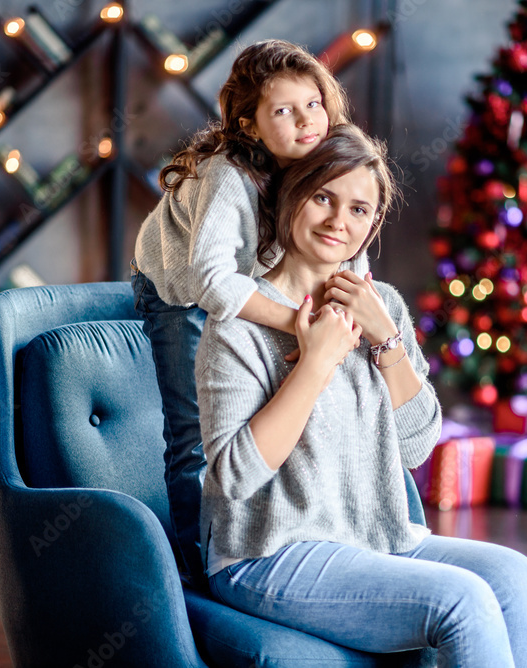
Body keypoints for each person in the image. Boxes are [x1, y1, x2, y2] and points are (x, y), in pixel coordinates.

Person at [197, 124, 527, 667]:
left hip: (372, 535)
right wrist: (315, 360)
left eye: (360, 210)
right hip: (266, 553)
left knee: (517, 580)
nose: (340, 221)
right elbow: (235, 478)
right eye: (323, 198)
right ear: (292, 197)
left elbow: (415, 449)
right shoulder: (239, 323)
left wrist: (387, 341)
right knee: (463, 600)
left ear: (374, 223)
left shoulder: (381, 305)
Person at [130, 40, 366, 589]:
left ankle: (292, 533)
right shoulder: (226, 176)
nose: (306, 121)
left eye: (313, 103)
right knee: (193, 434)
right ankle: (199, 574)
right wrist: (297, 324)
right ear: (252, 126)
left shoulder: (324, 159)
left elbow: (347, 243)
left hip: (256, 284)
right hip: (179, 291)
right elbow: (210, 281)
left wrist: (352, 306)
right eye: (283, 110)